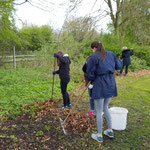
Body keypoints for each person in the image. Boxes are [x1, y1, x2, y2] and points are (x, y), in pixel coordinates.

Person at [86, 41, 122, 143]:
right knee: (105, 107)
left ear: (94, 48)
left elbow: (89, 74)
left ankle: (99, 135)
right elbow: (119, 65)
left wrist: (92, 80)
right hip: (110, 83)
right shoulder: (111, 54)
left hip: (100, 84)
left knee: (99, 110)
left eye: (92, 49)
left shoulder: (94, 57)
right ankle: (110, 130)